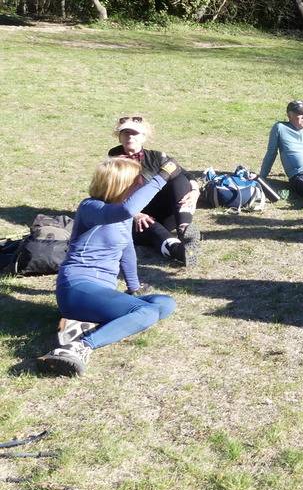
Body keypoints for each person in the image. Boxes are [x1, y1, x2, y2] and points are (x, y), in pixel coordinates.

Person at [38, 157, 178, 376]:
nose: (141, 184)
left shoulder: (122, 216)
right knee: (147, 312)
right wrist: (162, 177)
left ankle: (83, 324)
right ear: (120, 184)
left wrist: (134, 287)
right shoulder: (91, 207)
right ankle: (80, 346)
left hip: (101, 291)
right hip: (77, 287)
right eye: (137, 181)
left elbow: (127, 251)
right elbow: (128, 209)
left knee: (165, 303)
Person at [108, 114, 201, 266]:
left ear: (144, 137)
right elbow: (108, 196)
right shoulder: (112, 161)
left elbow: (185, 174)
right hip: (131, 218)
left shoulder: (156, 157)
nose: (130, 136)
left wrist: (195, 191)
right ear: (119, 137)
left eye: (135, 133)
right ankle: (179, 251)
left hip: (162, 213)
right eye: (125, 132)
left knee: (178, 179)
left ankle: (185, 231)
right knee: (148, 224)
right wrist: (134, 213)